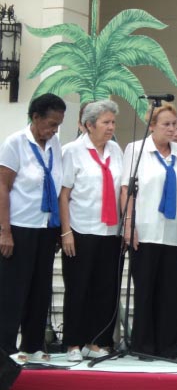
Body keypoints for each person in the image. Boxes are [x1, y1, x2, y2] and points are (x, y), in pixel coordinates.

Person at [121, 103, 177, 359]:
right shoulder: (136, 150)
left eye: (175, 123)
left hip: (175, 234)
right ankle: (144, 345)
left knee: (171, 292)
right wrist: (128, 224)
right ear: (152, 126)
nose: (172, 129)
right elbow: (126, 190)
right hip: (146, 231)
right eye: (166, 124)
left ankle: (168, 346)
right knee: (146, 289)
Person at [0, 94, 66, 362]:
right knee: (14, 290)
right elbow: (3, 187)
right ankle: (6, 348)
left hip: (46, 227)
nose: (54, 130)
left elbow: (58, 183)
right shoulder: (15, 143)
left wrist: (60, 226)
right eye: (51, 124)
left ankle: (34, 344)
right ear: (35, 117)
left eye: (58, 125)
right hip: (20, 226)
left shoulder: (54, 144)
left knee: (41, 289)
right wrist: (4, 231)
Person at [59, 100, 123, 362]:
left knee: (105, 288)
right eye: (106, 122)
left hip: (110, 231)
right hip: (81, 228)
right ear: (89, 125)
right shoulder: (72, 151)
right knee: (78, 287)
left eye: (113, 122)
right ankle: (73, 342)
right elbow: (64, 195)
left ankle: (95, 341)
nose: (111, 127)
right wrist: (66, 232)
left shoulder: (116, 150)